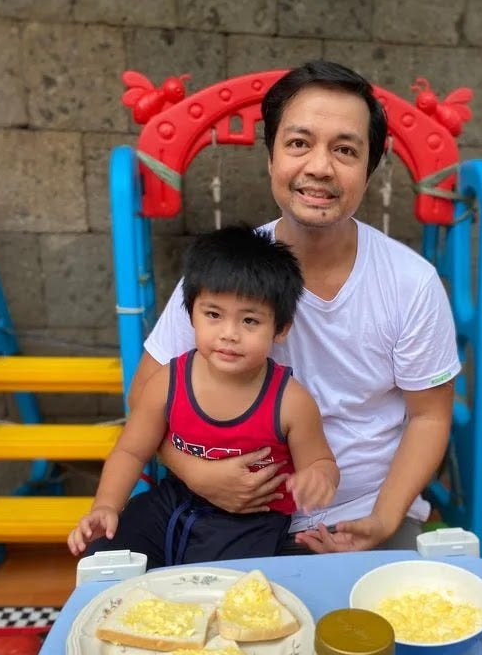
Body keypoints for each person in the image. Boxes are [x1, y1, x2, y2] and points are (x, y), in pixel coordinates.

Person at [126, 59, 461, 555]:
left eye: (345, 150)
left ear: (368, 170)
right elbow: (146, 397)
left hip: (365, 513)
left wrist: (383, 519)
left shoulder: (411, 283)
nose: (320, 167)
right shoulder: (226, 272)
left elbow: (430, 417)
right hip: (229, 514)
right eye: (299, 143)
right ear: (271, 159)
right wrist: (196, 471)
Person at [67, 225, 339, 567]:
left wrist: (318, 477)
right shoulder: (168, 381)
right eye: (213, 315)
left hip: (252, 520)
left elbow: (321, 462)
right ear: (191, 314)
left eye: (250, 321)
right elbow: (130, 450)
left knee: (217, 587)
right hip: (175, 502)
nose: (229, 334)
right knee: (108, 555)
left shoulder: (291, 402)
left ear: (280, 328)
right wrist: (105, 506)